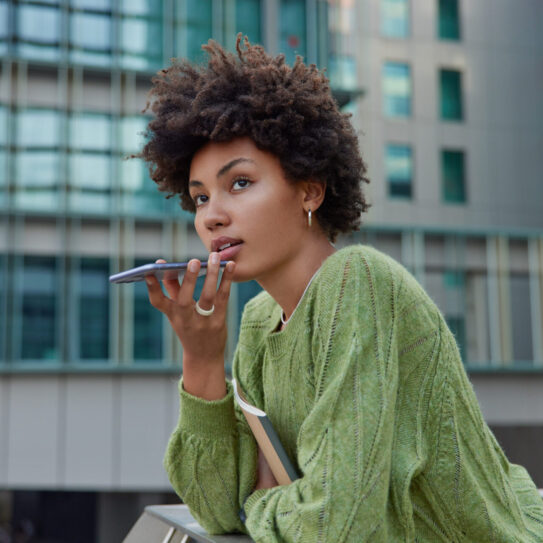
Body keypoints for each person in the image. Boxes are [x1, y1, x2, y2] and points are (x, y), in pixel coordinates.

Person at [140, 35, 543, 542]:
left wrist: (260, 504)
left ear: (309, 190)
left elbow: (337, 524)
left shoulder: (359, 284)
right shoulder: (261, 321)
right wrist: (200, 360)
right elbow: (218, 510)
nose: (212, 215)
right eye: (199, 198)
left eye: (239, 183)